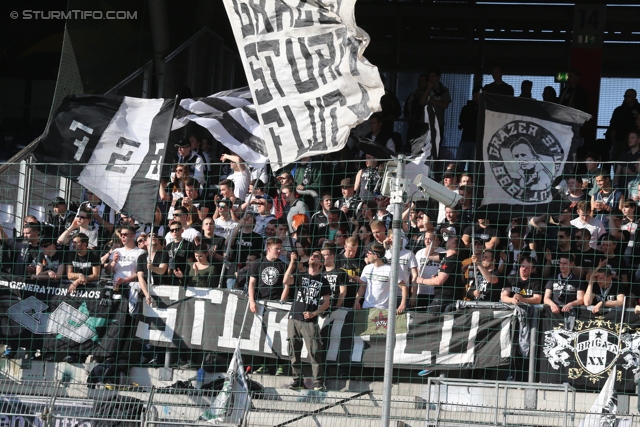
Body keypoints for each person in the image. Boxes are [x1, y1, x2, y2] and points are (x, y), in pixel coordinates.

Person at [284, 249, 331, 391]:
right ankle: (297, 379)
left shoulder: (323, 280)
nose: (312, 257)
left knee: (314, 350)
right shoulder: (301, 275)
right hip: (294, 317)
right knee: (293, 349)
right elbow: (286, 280)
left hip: (310, 320)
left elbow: (327, 302)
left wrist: (314, 313)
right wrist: (292, 262)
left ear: (320, 263)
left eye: (316, 256)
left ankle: (317, 381)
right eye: (312, 255)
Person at [248, 238, 290, 375]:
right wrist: (252, 301)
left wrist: (281, 303)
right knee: (261, 335)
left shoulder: (283, 265)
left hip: (277, 305)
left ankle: (280, 365)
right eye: (277, 248)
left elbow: (286, 286)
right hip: (261, 304)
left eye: (280, 248)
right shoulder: (257, 264)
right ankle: (262, 364)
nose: (279, 251)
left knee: (279, 335)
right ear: (269, 248)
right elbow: (252, 284)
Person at [354, 243, 408, 313]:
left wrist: (402, 304)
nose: (367, 255)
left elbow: (404, 287)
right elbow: (362, 287)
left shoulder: (390, 270)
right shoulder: (367, 268)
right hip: (366, 307)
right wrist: (356, 301)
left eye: (369, 253)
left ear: (376, 256)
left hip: (383, 309)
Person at [414, 235, 462, 313]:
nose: (448, 239)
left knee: (429, 318)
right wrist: (431, 241)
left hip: (445, 297)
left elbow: (439, 281)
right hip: (441, 296)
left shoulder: (451, 259)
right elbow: (428, 255)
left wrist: (421, 280)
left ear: (453, 245)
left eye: (450, 239)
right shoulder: (446, 256)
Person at [105, 226, 146, 309]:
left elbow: (140, 273)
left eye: (125, 234)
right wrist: (113, 262)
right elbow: (108, 271)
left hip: (131, 287)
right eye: (121, 234)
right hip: (116, 287)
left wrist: (124, 280)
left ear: (133, 235)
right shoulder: (117, 251)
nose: (122, 237)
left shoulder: (141, 252)